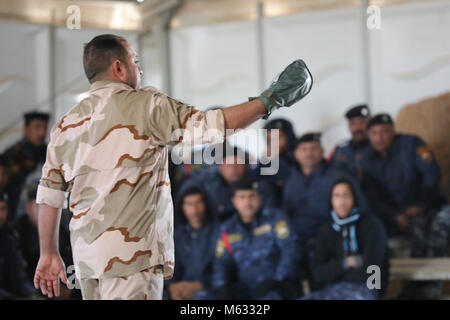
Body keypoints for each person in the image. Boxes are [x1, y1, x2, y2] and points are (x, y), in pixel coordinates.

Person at [33, 34, 313, 300]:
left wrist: (48, 252)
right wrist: (269, 100)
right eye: (135, 61)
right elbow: (213, 127)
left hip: (87, 262)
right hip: (132, 259)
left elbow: (49, 195)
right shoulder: (146, 105)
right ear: (118, 67)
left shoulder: (65, 125)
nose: (139, 71)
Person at [359, 113, 450, 298]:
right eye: (374, 133)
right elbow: (372, 197)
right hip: (392, 216)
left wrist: (420, 206)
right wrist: (396, 215)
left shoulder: (412, 144)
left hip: (426, 207)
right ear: (369, 135)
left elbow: (431, 176)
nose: (379, 137)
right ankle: (376, 290)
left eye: (384, 131)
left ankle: (427, 286)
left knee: (435, 222)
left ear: (393, 131)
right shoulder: (366, 160)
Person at [282, 132, 368, 290]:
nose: (308, 153)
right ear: (296, 154)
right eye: (304, 149)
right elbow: (286, 215)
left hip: (330, 242)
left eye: (313, 148)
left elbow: (359, 209)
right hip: (298, 242)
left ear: (322, 151)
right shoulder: (291, 180)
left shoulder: (338, 177)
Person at [212, 177, 302, 300]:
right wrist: (221, 286)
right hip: (244, 288)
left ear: (260, 198)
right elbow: (221, 262)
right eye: (242, 197)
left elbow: (290, 251)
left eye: (252, 196)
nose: (247, 203)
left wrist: (277, 280)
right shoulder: (228, 228)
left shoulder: (275, 219)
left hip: (276, 285)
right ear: (234, 201)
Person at [302, 177, 389, 300]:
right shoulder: (327, 229)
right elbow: (318, 273)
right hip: (333, 289)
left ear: (355, 198)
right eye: (336, 196)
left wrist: (333, 273)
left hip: (365, 290)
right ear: (331, 200)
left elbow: (372, 274)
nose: (341, 201)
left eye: (346, 195)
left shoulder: (372, 226)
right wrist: (346, 263)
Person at [182, 145, 276, 223]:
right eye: (228, 165)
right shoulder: (208, 187)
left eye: (238, 164)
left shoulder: (260, 187)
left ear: (246, 166)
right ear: (220, 168)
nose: (233, 169)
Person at [165, 186, 218, 300]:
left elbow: (224, 269)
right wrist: (172, 287)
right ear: (182, 206)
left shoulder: (219, 232)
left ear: (206, 204)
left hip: (210, 289)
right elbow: (170, 268)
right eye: (188, 204)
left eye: (198, 202)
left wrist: (200, 285)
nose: (194, 209)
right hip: (181, 291)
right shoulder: (177, 236)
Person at [3, 111, 49, 222]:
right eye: (37, 127)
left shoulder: (50, 153)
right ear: (26, 130)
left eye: (44, 128)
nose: (42, 133)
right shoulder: (12, 154)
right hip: (16, 213)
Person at [0, 192, 37, 299]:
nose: (0, 215)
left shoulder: (9, 238)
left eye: (3, 209)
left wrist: (35, 295)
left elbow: (20, 280)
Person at [257, 118, 297, 206]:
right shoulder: (267, 158)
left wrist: (275, 158)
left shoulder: (300, 155)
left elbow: (292, 179)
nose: (274, 143)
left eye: (279, 137)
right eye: (270, 139)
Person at [329, 104, 370, 178]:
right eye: (353, 123)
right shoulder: (340, 149)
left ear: (369, 124)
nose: (357, 127)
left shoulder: (377, 148)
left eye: (362, 122)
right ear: (349, 126)